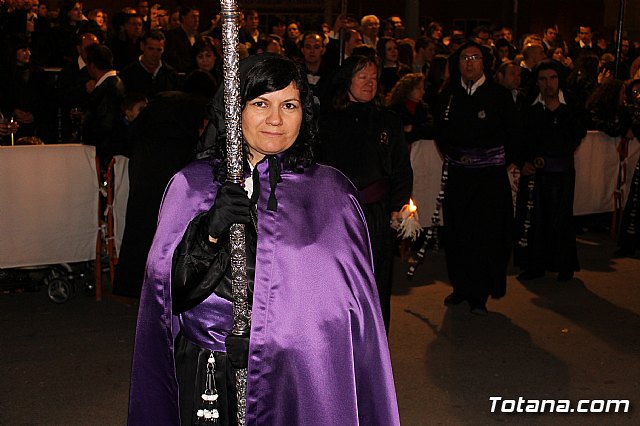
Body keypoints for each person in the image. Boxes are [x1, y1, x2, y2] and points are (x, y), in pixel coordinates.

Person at [128, 54, 399, 425]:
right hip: (211, 368)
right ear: (234, 110)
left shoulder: (332, 194)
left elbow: (350, 313)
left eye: (289, 105)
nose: (276, 119)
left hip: (298, 376)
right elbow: (165, 296)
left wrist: (278, 336)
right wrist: (208, 232)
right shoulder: (193, 185)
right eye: (260, 104)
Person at [318, 55, 413, 331]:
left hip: (376, 215)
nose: (369, 83)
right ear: (347, 80)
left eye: (373, 77)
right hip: (336, 217)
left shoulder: (388, 120)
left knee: (377, 282)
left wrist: (399, 206)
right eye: (362, 77)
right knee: (338, 284)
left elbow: (401, 168)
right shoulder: (327, 121)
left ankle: (376, 345)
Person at [433, 41, 519, 315]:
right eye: (464, 58)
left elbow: (513, 135)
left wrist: (494, 160)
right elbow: (440, 132)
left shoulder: (499, 95)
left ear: (484, 63)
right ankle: (460, 287)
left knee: (486, 234)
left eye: (475, 57)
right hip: (459, 175)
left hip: (489, 179)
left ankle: (479, 293)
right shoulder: (448, 95)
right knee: (458, 233)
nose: (469, 63)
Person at [514, 60, 587, 282]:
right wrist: (522, 161)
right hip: (535, 171)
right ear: (537, 82)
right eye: (543, 79)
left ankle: (563, 264)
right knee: (534, 218)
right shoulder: (529, 107)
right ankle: (534, 265)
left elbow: (577, 134)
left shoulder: (572, 106)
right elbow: (517, 137)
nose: (548, 84)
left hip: (562, 171)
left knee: (561, 218)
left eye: (553, 78)